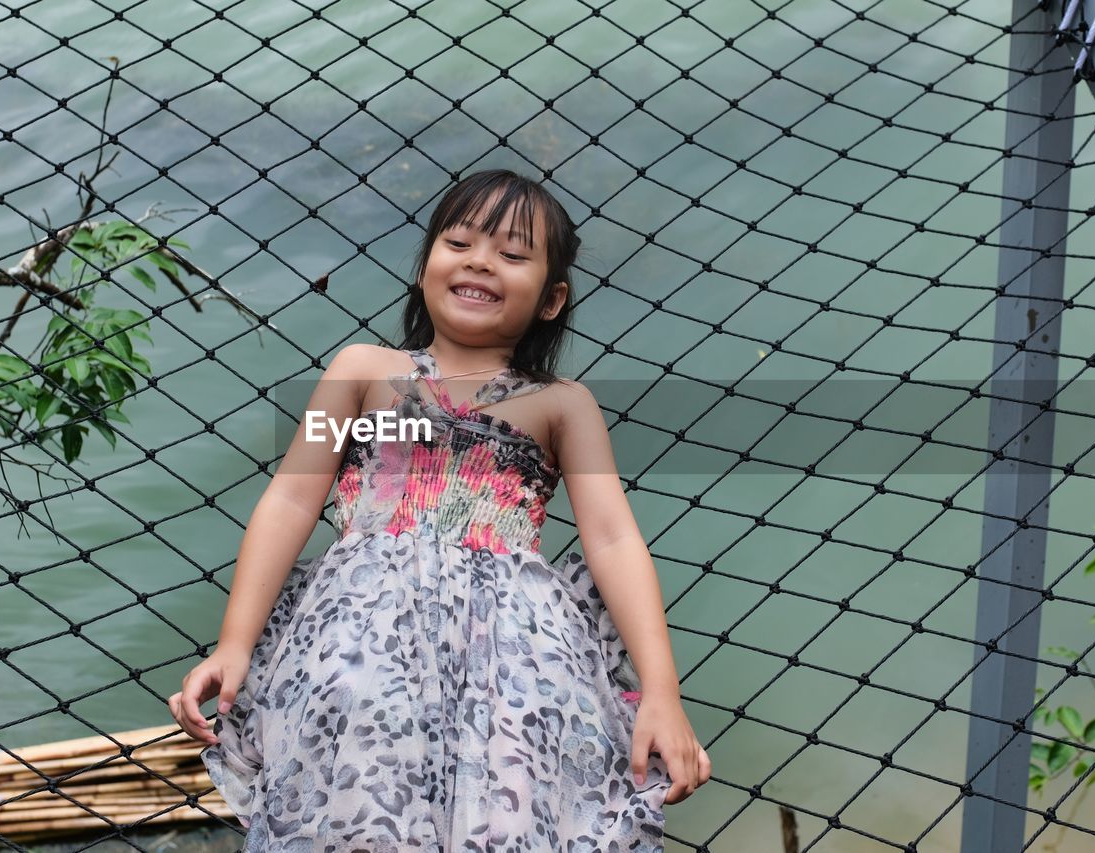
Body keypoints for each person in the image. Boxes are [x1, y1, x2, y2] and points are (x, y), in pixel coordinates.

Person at [168, 168, 711, 850]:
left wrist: (662, 690)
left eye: (513, 255)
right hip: (362, 643)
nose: (481, 260)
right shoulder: (364, 372)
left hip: (516, 660)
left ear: (552, 299)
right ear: (426, 263)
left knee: (512, 814)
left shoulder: (561, 403)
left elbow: (612, 539)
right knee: (353, 806)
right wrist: (235, 642)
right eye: (459, 242)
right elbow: (293, 496)